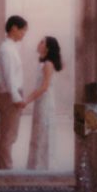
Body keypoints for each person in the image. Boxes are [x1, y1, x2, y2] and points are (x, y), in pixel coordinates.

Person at [0, 15, 28, 169]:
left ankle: (4, 167)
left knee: (9, 135)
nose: (24, 34)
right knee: (8, 136)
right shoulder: (6, 50)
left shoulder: (10, 47)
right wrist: (16, 97)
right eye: (23, 30)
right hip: (9, 96)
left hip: (10, 95)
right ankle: (6, 169)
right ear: (14, 28)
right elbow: (9, 77)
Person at [23, 36, 63, 171]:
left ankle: (43, 167)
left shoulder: (48, 64)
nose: (38, 43)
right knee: (39, 132)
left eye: (42, 42)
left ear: (47, 47)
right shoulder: (43, 64)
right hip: (41, 103)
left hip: (45, 103)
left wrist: (27, 100)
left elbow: (44, 87)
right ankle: (36, 166)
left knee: (44, 133)